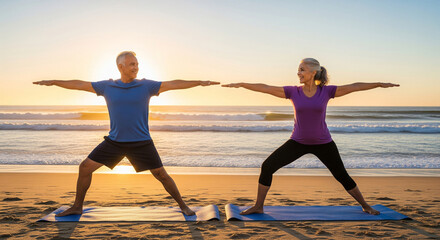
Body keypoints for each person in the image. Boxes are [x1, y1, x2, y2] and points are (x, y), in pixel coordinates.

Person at [33, 51, 220, 216]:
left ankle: (183, 206)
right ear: (120, 66)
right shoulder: (106, 86)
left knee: (161, 175)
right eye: (132, 64)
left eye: (137, 64)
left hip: (141, 142)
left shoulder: (147, 86)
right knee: (85, 168)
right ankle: (77, 206)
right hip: (114, 142)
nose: (136, 67)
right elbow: (80, 84)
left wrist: (198, 82)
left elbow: (172, 84)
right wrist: (55, 82)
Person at [222, 58, 399, 215]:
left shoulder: (327, 91)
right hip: (297, 142)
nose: (298, 73)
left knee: (341, 175)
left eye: (302, 70)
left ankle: (365, 206)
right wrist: (243, 84)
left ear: (313, 72)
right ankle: (259, 206)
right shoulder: (293, 92)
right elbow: (266, 88)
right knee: (267, 166)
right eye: (298, 70)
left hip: (323, 143)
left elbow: (355, 86)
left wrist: (379, 84)